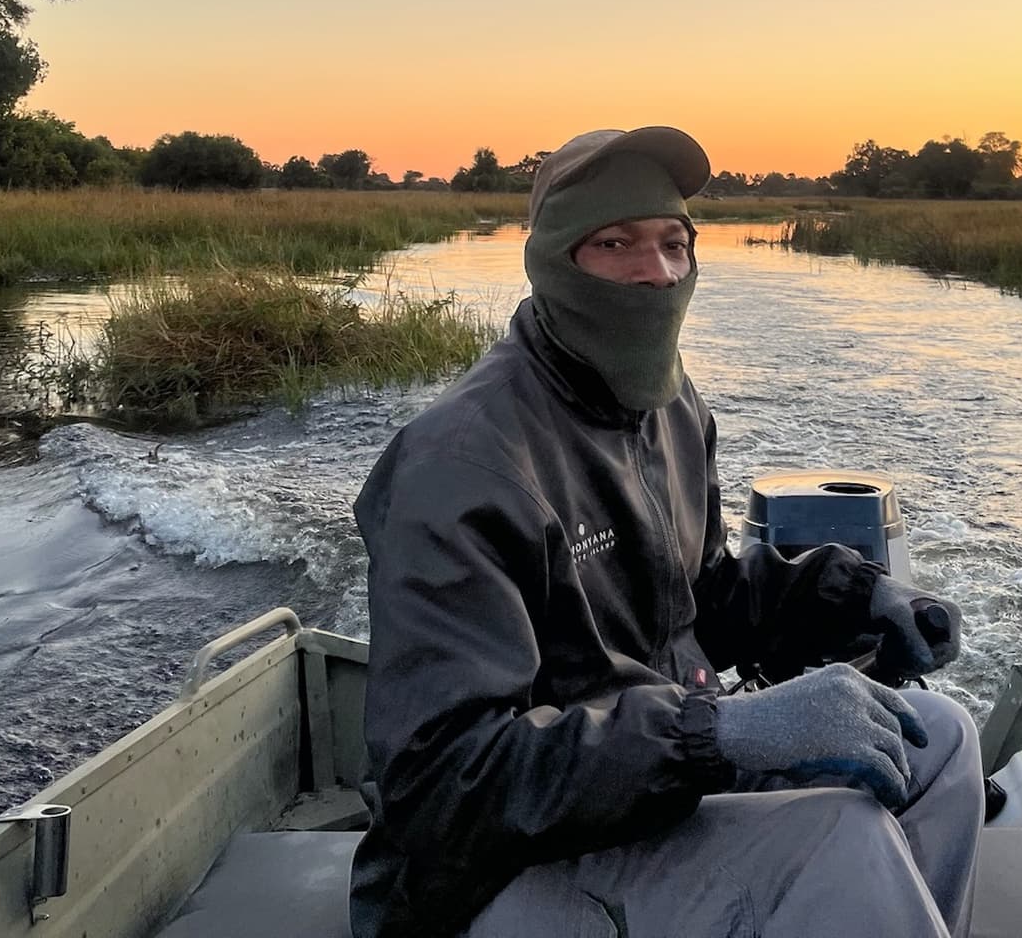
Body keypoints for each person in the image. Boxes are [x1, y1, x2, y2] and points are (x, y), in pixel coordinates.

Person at [350, 126, 981, 938]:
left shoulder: (669, 408)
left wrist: (857, 598)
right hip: (492, 874)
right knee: (843, 836)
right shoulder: (463, 464)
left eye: (673, 243)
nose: (656, 272)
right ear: (552, 261)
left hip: (653, 784)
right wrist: (719, 734)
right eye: (615, 244)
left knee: (941, 742)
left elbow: (698, 593)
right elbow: (443, 783)